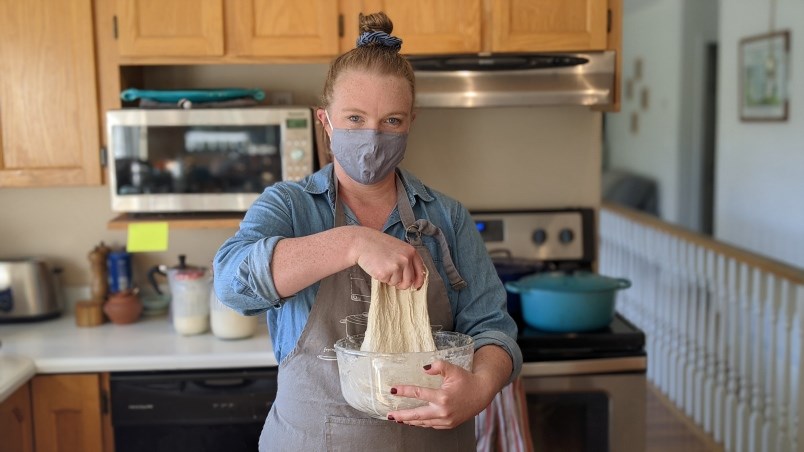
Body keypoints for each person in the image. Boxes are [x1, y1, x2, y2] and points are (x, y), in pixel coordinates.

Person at [213, 11, 522, 451]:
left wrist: (481, 386)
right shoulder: (289, 207)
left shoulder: (447, 219)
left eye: (391, 121)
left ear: (411, 121)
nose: (372, 138)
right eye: (354, 119)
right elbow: (231, 283)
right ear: (325, 120)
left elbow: (493, 329)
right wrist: (351, 241)